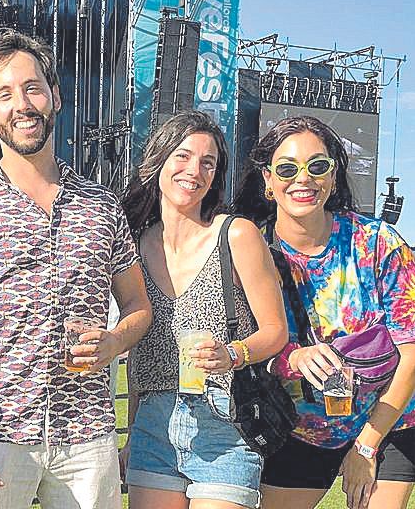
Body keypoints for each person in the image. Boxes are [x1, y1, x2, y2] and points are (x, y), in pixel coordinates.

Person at [0, 28, 153, 509]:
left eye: (32, 88)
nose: (21, 104)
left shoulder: (102, 206)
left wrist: (114, 341)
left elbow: (137, 306)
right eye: (3, 94)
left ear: (55, 97)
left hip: (87, 438)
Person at [231, 116, 415, 509]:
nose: (303, 179)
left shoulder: (377, 242)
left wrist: (365, 447)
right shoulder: (248, 248)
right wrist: (292, 355)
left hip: (394, 417)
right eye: (287, 168)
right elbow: (243, 342)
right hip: (301, 426)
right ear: (267, 180)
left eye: (318, 166)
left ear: (332, 176)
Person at [119, 111, 288, 509]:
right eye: (183, 155)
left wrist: (232, 354)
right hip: (152, 426)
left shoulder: (236, 235)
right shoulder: (134, 245)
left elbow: (275, 331)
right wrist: (132, 435)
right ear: (159, 159)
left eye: (207, 162)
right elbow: (138, 356)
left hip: (224, 424)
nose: (194, 170)